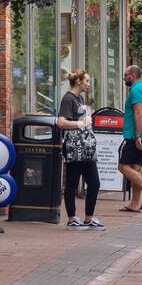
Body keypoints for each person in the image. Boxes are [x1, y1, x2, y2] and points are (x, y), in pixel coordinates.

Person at [58, 70, 102, 230]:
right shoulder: (68, 99)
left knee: (94, 183)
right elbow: (61, 122)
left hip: (86, 147)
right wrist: (79, 124)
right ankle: (72, 217)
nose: (88, 84)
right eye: (87, 81)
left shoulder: (80, 98)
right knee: (72, 182)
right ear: (78, 81)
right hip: (75, 147)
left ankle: (89, 217)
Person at [118, 64, 142, 213]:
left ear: (132, 76)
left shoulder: (135, 90)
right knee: (135, 169)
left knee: (122, 167)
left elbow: (138, 113)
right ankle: (134, 204)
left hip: (135, 136)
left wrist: (137, 136)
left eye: (125, 75)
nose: (124, 77)